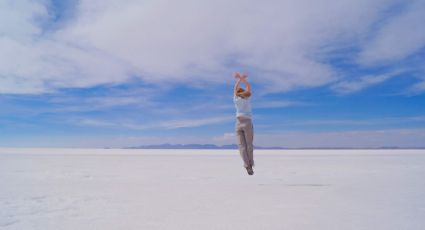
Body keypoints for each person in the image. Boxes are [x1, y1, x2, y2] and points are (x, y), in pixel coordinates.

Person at [233, 72, 254, 175]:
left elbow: (235, 89)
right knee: (249, 145)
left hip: (238, 123)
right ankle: (250, 165)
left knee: (242, 146)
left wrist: (238, 79)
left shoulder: (236, 100)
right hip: (247, 122)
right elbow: (248, 86)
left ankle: (247, 165)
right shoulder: (247, 99)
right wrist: (243, 78)